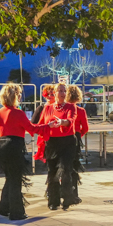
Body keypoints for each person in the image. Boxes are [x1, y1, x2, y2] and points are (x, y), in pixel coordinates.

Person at [0, 84, 55, 220]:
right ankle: (17, 212)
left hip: (2, 145)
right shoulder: (18, 113)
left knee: (9, 178)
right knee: (15, 180)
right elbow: (32, 129)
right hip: (14, 146)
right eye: (19, 93)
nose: (21, 96)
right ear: (15, 96)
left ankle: (3, 208)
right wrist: (48, 126)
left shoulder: (1, 111)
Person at [37, 83, 79, 211]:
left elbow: (71, 120)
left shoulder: (71, 107)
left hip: (67, 142)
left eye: (64, 91)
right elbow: (40, 124)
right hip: (52, 143)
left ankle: (67, 199)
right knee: (52, 172)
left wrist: (62, 122)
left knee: (65, 171)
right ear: (54, 93)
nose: (62, 93)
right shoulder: (47, 108)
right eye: (60, 90)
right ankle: (53, 201)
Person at [67, 85, 89, 200]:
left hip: (64, 137)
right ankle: (74, 194)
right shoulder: (81, 111)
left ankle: (63, 191)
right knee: (74, 166)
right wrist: (79, 136)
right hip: (76, 137)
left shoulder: (63, 109)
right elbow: (85, 128)